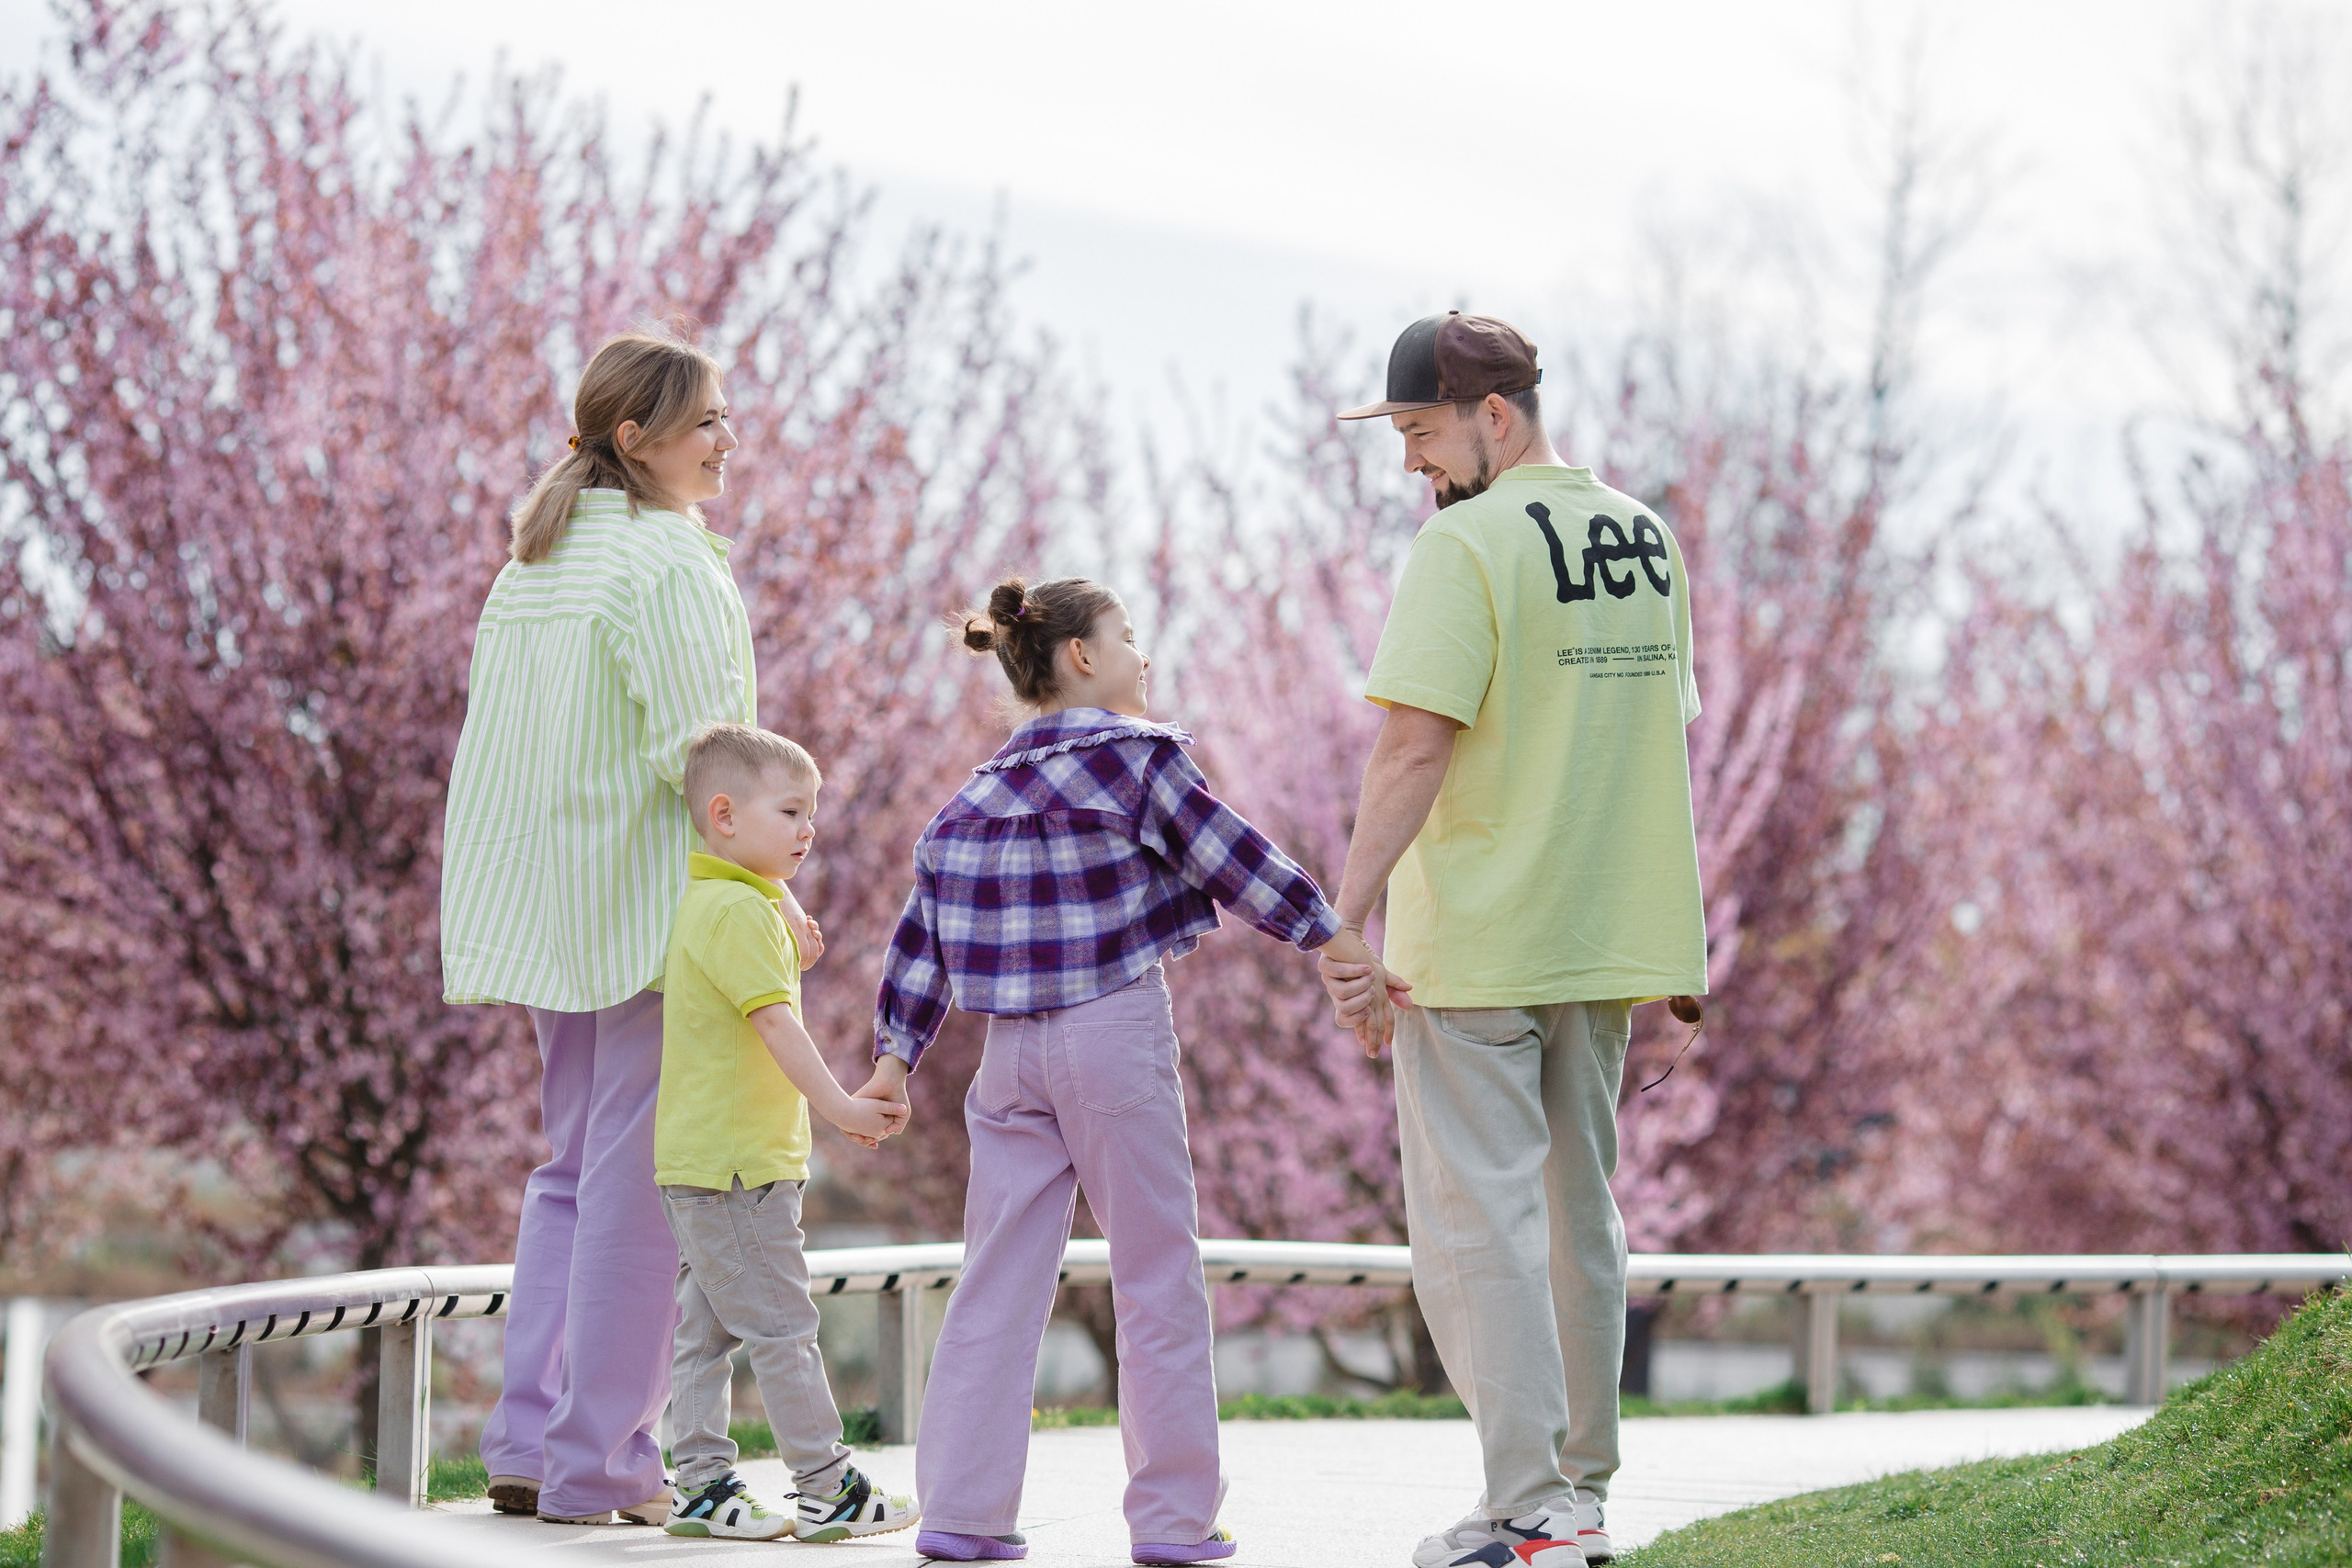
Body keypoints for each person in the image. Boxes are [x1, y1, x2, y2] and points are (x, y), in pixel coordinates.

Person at [869, 577, 1390, 1565]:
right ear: (1081, 659)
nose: (1143, 656)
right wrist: (1327, 934)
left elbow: (919, 939)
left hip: (1007, 1055)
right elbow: (1230, 855)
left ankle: (963, 1516)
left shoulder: (965, 804)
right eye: (1129, 636)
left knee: (994, 1284)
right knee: (1155, 1275)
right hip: (1110, 1027)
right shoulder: (1136, 762)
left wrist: (896, 1057)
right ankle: (1171, 1523)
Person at [1322, 312, 1709, 1568]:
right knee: (1576, 1213)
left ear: (1497, 415)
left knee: (1474, 1224)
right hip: (1603, 938)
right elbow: (1657, 737)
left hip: (1479, 940)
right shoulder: (1647, 538)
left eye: (1422, 432)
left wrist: (1343, 912)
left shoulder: (1466, 544)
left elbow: (1413, 744)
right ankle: (1577, 1490)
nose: (1410, 467)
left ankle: (1528, 1503)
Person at [440, 331, 825, 1526]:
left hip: (554, 903)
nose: (727, 440)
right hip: (663, 910)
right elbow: (707, 757)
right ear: (634, 438)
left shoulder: (537, 561)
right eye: (706, 420)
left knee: (567, 1171)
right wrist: (774, 890)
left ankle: (530, 1435)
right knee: (642, 1184)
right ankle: (603, 1460)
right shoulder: (668, 561)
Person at [652, 722, 917, 1542]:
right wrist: (839, 1107)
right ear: (724, 815)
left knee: (706, 1328)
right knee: (782, 1326)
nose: (809, 830)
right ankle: (826, 1485)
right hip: (740, 1168)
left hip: (701, 1160)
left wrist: (784, 916)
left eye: (812, 813)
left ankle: (698, 1484)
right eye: (792, 811)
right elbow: (775, 1027)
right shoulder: (740, 912)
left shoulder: (722, 901)